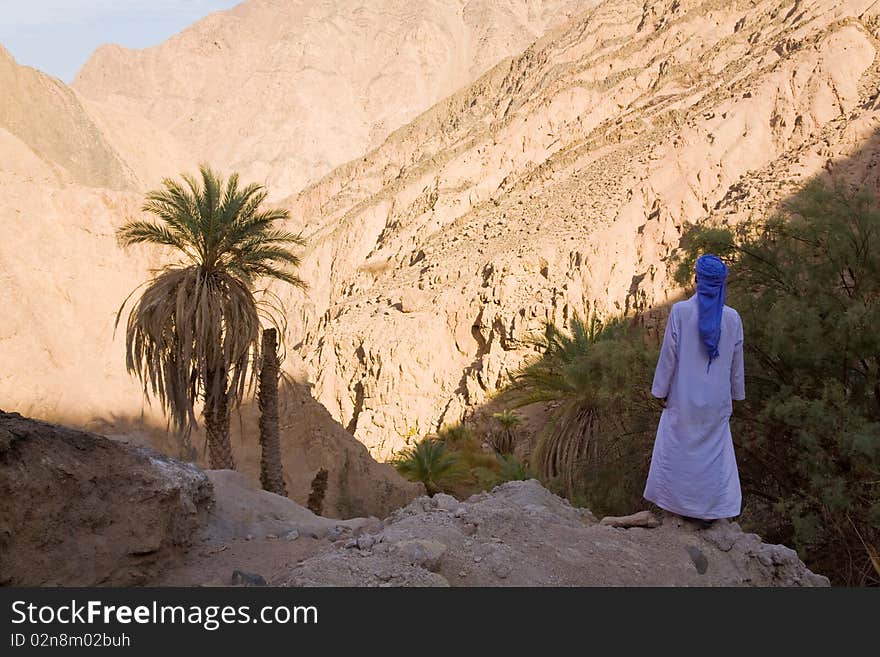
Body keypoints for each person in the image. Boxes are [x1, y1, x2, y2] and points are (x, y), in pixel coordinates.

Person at [643, 254, 745, 521]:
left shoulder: (681, 312)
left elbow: (669, 356)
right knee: (713, 456)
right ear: (722, 284)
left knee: (678, 451)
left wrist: (660, 391)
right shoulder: (733, 319)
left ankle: (676, 507)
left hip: (683, 399)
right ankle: (710, 511)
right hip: (717, 403)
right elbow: (737, 364)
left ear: (697, 280)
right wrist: (737, 395)